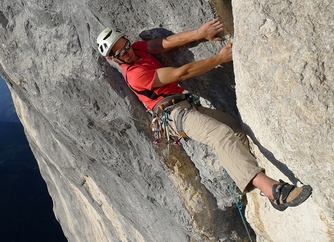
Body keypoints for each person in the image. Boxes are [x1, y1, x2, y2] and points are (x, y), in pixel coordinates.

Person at [96, 18, 312, 211]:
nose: (127, 50)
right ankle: (273, 190)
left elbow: (165, 43)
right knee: (219, 135)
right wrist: (219, 58)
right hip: (172, 115)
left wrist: (200, 33)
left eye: (125, 44)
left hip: (185, 105)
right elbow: (182, 73)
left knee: (235, 131)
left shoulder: (137, 49)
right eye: (120, 52)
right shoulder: (135, 75)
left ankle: (257, 181)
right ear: (114, 60)